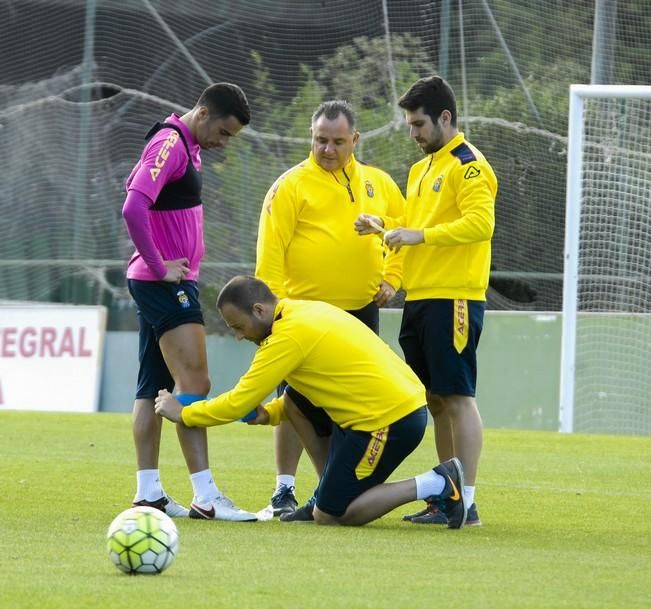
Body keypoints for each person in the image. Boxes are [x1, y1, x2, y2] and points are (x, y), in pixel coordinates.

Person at [154, 275, 469, 529]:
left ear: (259, 311)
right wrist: (270, 414)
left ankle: (436, 483)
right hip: (386, 410)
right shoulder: (297, 311)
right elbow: (308, 391)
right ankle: (323, 495)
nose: (238, 336)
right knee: (290, 399)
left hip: (389, 421)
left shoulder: (286, 337)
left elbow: (238, 402)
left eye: (238, 327)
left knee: (333, 515)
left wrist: (185, 413)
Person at [355, 76, 498, 526]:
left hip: (453, 297)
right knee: (434, 400)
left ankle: (467, 502)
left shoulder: (469, 164)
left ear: (445, 118)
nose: (413, 133)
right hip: (419, 298)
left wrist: (419, 234)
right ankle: (447, 494)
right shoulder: (422, 169)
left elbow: (481, 224)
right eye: (410, 125)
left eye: (419, 124)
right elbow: (413, 222)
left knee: (457, 397)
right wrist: (383, 222)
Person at [255, 100, 405, 518]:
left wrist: (392, 278)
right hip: (303, 317)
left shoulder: (379, 182)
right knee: (294, 402)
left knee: (350, 406)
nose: (328, 149)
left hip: (360, 315)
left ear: (355, 139)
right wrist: (276, 315)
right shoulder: (289, 186)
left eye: (338, 141)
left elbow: (402, 232)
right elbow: (270, 257)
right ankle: (283, 489)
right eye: (321, 140)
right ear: (311, 137)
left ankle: (330, 490)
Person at [121, 83, 257, 521]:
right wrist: (160, 266)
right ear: (202, 113)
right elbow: (133, 207)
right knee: (194, 385)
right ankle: (206, 496)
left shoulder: (188, 146)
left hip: (159, 284)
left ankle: (149, 494)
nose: (223, 142)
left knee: (152, 389)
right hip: (164, 285)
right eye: (223, 131)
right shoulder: (171, 143)